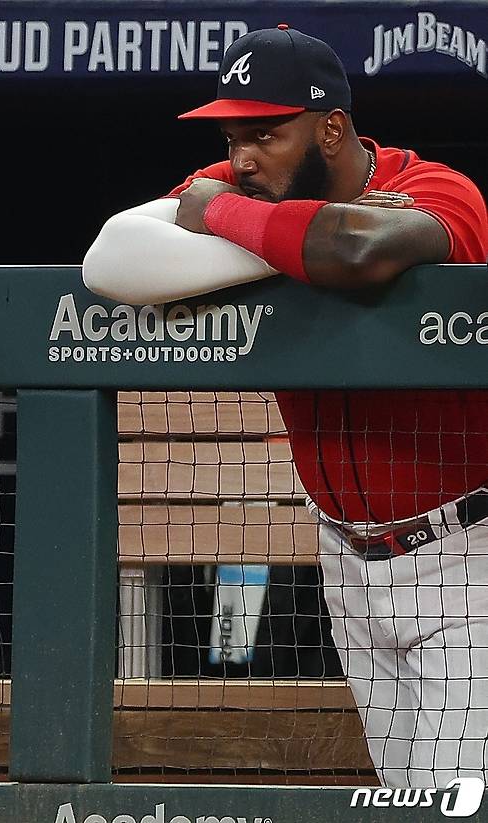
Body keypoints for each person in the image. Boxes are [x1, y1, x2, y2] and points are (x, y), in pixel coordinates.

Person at [83, 26, 488, 789]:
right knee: (404, 802)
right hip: (347, 562)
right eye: (233, 138)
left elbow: (362, 250)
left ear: (332, 127)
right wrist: (296, 248)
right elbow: (110, 255)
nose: (240, 161)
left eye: (265, 134)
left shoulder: (440, 189)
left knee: (454, 804)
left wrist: (232, 223)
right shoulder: (257, 189)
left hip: (467, 555)